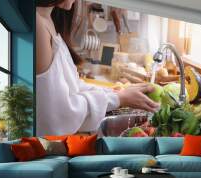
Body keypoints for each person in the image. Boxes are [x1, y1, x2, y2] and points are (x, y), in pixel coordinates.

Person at [36, 0, 159, 136]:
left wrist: (115, 93)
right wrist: (118, 98)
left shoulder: (48, 18)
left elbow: (73, 87)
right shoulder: (38, 25)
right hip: (50, 150)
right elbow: (59, 113)